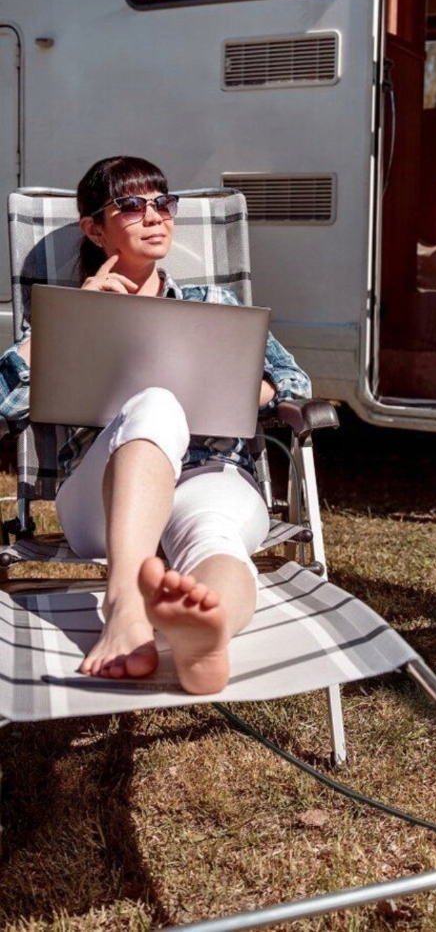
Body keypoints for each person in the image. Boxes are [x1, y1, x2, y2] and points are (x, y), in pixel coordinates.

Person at [0, 156, 311, 694]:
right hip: (101, 496)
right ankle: (124, 604)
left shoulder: (215, 304)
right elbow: (7, 401)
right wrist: (68, 320)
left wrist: (241, 391)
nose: (154, 216)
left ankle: (207, 634)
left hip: (210, 470)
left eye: (163, 203)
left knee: (217, 540)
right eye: (131, 205)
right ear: (94, 228)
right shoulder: (64, 314)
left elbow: (294, 382)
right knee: (156, 405)